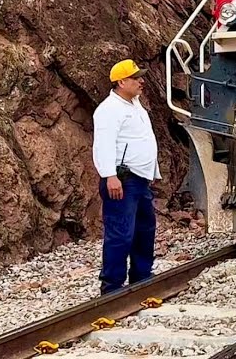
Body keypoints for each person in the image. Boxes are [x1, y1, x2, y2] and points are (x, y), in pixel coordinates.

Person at [93, 59, 161, 294]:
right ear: (121, 82)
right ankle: (112, 286)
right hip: (122, 180)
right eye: (136, 78)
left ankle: (141, 277)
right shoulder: (109, 110)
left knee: (144, 229)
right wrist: (110, 175)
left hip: (139, 180)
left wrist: (151, 171)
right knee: (121, 233)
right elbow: (104, 145)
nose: (142, 81)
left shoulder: (134, 104)